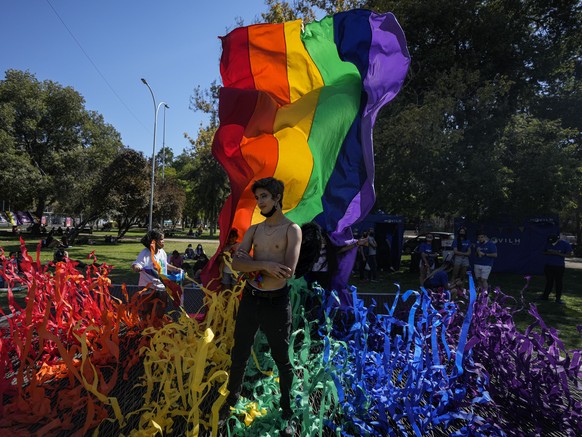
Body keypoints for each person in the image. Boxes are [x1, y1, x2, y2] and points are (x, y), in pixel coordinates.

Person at [220, 177, 301, 436]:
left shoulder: (292, 230)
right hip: (251, 299)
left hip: (277, 303)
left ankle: (287, 412)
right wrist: (265, 266)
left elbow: (287, 271)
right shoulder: (254, 230)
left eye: (264, 196)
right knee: (240, 351)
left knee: (282, 359)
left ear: (277, 198)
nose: (259, 202)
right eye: (258, 198)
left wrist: (252, 264)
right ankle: (230, 402)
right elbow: (237, 265)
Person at [131, 229, 182, 319]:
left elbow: (165, 265)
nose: (163, 242)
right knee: (147, 312)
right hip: (148, 287)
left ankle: (157, 329)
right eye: (161, 240)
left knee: (160, 311)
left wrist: (176, 269)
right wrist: (137, 267)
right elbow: (137, 264)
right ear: (154, 241)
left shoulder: (162, 252)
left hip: (161, 286)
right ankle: (145, 330)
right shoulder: (146, 253)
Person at [541, 234, 572, 304]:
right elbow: (542, 251)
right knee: (549, 281)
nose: (552, 243)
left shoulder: (565, 244)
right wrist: (549, 252)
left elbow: (569, 255)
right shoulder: (547, 243)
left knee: (558, 282)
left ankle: (558, 298)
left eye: (554, 242)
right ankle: (545, 296)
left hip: (559, 266)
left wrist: (557, 253)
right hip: (548, 265)